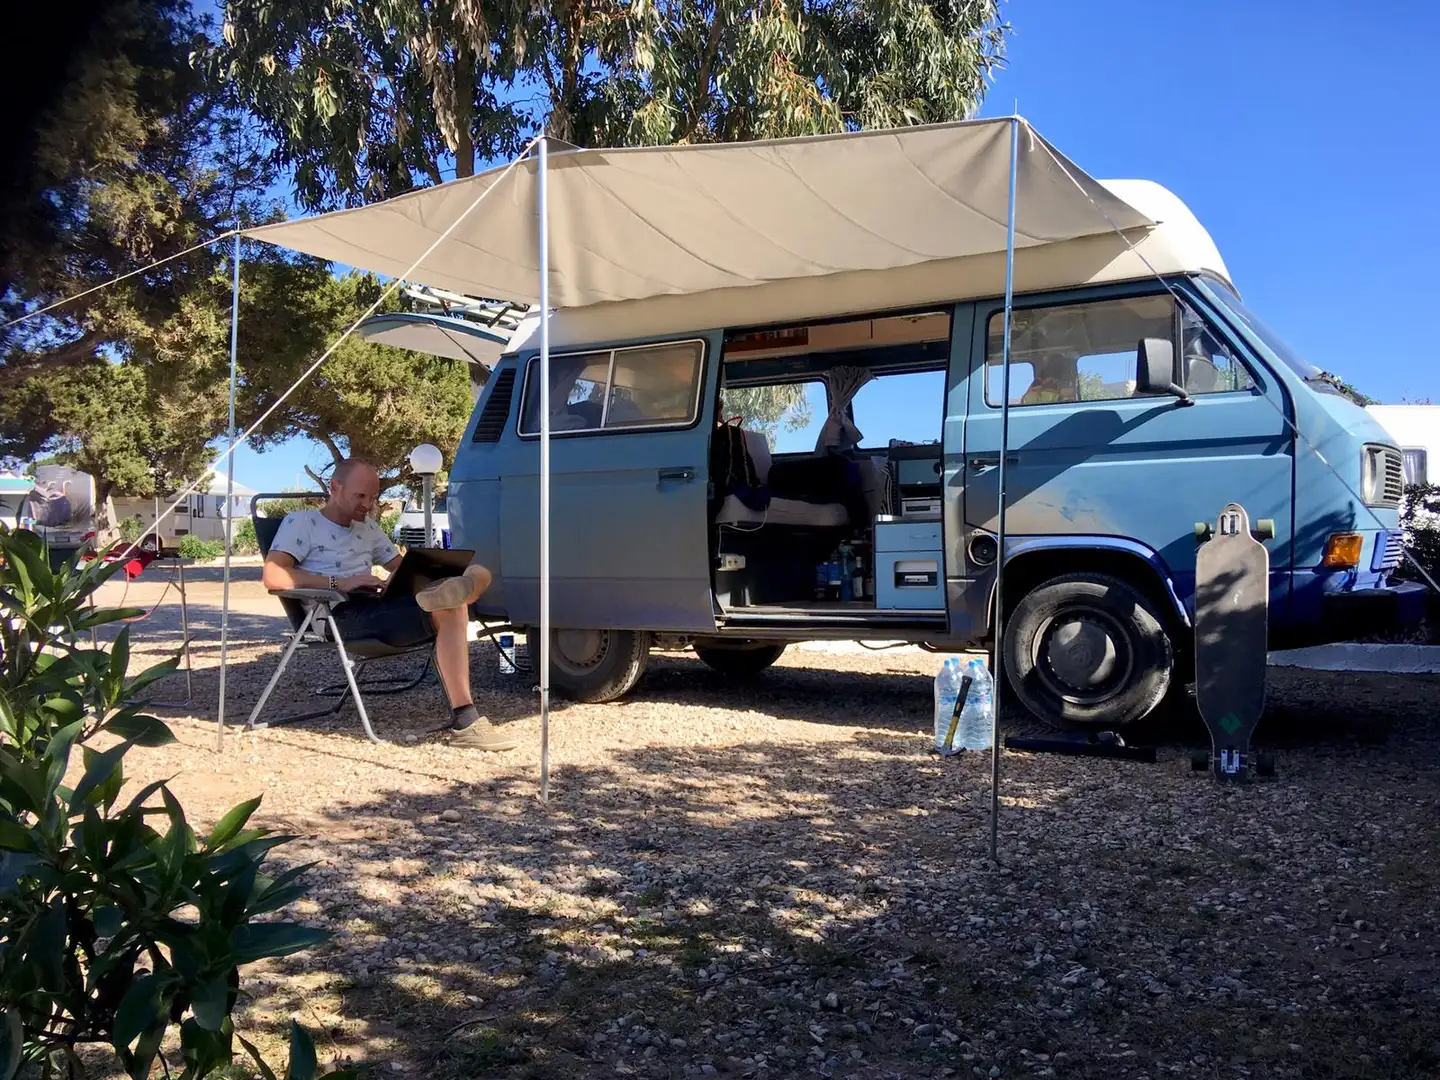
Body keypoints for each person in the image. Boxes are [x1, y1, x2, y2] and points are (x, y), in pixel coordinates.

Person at [261, 458, 517, 751]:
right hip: (338, 612)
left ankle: (459, 585)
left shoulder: (367, 527)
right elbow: (273, 575)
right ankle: (466, 720)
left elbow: (402, 566)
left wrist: (419, 571)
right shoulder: (302, 522)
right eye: (361, 496)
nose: (368, 505)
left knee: (450, 593)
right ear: (334, 487)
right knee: (450, 606)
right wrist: (339, 582)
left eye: (373, 497)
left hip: (378, 605)